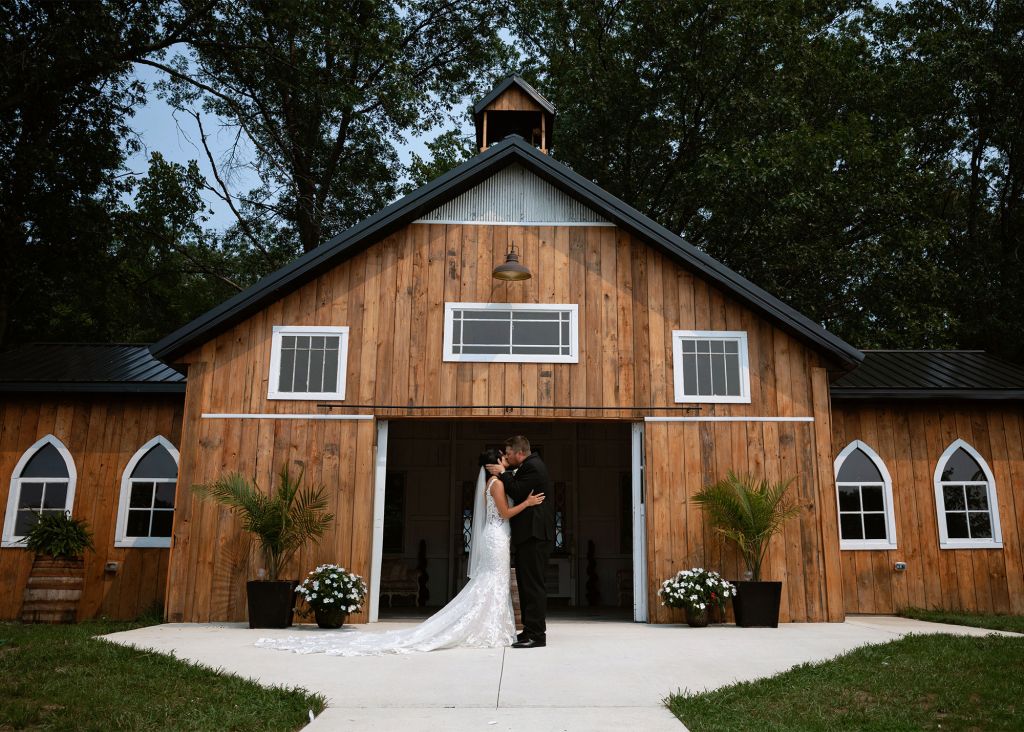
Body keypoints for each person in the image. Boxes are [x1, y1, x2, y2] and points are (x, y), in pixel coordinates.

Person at [254, 448, 543, 656]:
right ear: (494, 465)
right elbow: (504, 513)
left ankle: (495, 627)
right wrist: (527, 505)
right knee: (490, 583)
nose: (507, 461)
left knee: (493, 583)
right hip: (497, 537)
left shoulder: (496, 482)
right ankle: (488, 628)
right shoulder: (497, 484)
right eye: (503, 458)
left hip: (498, 538)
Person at [486, 435, 555, 649]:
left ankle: (537, 635)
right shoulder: (528, 465)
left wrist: (503, 473)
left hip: (535, 536)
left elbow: (515, 490)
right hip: (528, 536)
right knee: (526, 585)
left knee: (533, 586)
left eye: (508, 454)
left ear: (520, 453)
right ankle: (528, 630)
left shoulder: (533, 467)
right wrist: (507, 472)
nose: (506, 457)